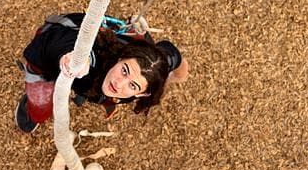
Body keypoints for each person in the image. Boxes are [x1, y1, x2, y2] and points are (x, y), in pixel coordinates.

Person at [14, 13, 188, 134]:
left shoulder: (155, 67)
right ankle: (35, 113)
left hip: (97, 84)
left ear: (143, 93)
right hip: (52, 51)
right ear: (120, 58)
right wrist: (75, 59)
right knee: (39, 102)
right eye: (124, 70)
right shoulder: (97, 54)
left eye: (133, 85)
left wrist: (174, 77)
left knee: (109, 93)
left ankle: (103, 96)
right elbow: (63, 44)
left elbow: (173, 54)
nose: (119, 83)